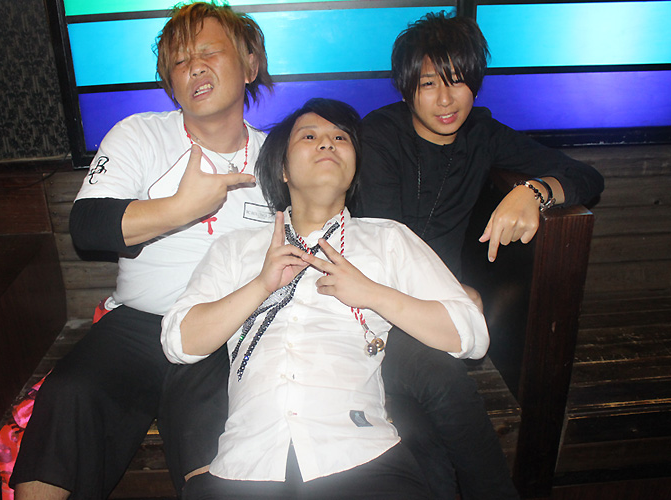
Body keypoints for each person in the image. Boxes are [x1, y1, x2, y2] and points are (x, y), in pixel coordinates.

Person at [161, 97, 490, 500]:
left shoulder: (388, 238)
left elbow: (471, 333)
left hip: (362, 454)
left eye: (340, 138)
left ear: (354, 170)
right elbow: (179, 342)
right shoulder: (236, 248)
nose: (327, 143)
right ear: (282, 169)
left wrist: (373, 294)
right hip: (244, 463)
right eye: (309, 136)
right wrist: (260, 285)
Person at [10, 3, 274, 499]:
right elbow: (88, 227)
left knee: (213, 437)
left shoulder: (277, 156)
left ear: (250, 64)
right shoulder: (140, 133)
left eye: (209, 52)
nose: (194, 67)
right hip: (137, 323)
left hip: (226, 329)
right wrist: (179, 208)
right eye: (179, 61)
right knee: (69, 392)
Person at [356, 11, 605, 500]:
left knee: (428, 443)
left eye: (458, 80)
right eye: (429, 83)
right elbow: (387, 246)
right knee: (435, 414)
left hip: (438, 322)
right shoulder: (380, 137)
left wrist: (534, 192)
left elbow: (586, 177)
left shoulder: (481, 134)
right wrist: (452, 292)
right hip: (379, 310)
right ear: (406, 88)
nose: (446, 100)